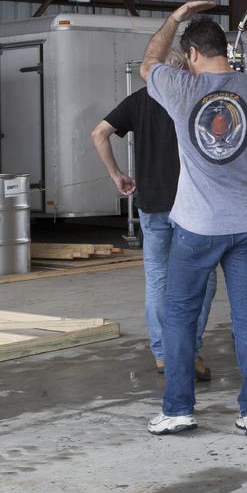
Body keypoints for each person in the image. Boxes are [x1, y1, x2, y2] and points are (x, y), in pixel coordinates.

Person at [141, 1, 247, 439]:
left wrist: (174, 19)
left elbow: (149, 62)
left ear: (192, 53)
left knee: (180, 316)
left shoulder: (180, 87)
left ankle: (178, 409)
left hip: (197, 228)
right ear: (225, 51)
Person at [91, 64, 216, 382]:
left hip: (152, 204)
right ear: (183, 70)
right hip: (192, 205)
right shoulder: (193, 97)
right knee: (203, 279)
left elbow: (98, 133)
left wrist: (116, 175)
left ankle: (163, 354)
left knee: (158, 280)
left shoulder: (139, 100)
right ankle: (188, 350)